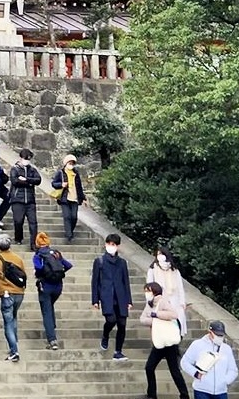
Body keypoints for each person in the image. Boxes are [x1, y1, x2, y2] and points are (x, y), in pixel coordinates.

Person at [139, 281, 191, 399]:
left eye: (148, 291)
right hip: (158, 340)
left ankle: (184, 395)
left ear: (154, 291)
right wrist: (154, 321)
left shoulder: (163, 301)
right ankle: (151, 394)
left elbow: (173, 314)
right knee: (149, 367)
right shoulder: (149, 304)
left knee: (174, 370)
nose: (146, 293)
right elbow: (142, 318)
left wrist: (156, 315)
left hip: (168, 341)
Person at [91, 232, 133, 362]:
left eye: (113, 244)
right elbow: (95, 281)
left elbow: (126, 281)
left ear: (118, 246)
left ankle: (118, 351)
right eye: (109, 244)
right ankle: (105, 335)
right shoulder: (100, 261)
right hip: (107, 296)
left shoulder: (122, 263)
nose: (111, 246)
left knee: (122, 324)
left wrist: (129, 300)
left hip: (121, 296)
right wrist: (95, 300)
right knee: (111, 320)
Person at [0, 234, 26, 362]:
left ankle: (14, 351)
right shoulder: (18, 258)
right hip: (19, 293)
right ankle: (13, 345)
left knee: (8, 322)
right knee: (13, 318)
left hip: (6, 293)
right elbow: (23, 275)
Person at [32, 231, 71, 349]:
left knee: (46, 312)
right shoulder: (56, 253)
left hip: (45, 286)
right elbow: (68, 265)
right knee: (50, 305)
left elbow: (39, 267)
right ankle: (52, 326)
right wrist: (59, 272)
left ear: (37, 243)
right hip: (58, 286)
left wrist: (40, 274)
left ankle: (52, 339)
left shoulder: (38, 255)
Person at [181, 320, 239, 399]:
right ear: (210, 332)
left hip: (221, 391)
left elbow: (233, 369)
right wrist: (195, 373)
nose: (220, 337)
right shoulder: (197, 345)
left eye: (221, 335)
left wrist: (225, 381)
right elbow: (185, 362)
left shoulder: (226, 349)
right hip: (202, 390)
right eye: (217, 335)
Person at [147, 245, 189, 337]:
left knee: (177, 327)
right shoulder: (152, 269)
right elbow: (149, 287)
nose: (159, 256)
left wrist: (182, 302)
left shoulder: (174, 271)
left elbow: (180, 288)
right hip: (160, 303)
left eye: (161, 254)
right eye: (158, 254)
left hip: (175, 302)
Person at [9, 148, 42, 248]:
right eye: (25, 158)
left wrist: (26, 179)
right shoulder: (15, 169)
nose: (27, 161)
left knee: (33, 223)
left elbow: (38, 180)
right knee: (18, 221)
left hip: (30, 200)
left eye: (29, 159)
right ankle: (18, 238)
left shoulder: (32, 170)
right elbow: (15, 181)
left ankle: (33, 243)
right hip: (18, 200)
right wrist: (29, 183)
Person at [50, 153, 87, 242]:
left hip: (74, 198)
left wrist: (83, 198)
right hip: (64, 198)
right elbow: (54, 183)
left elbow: (79, 187)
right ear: (65, 163)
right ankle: (69, 235)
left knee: (74, 217)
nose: (71, 165)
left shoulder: (76, 173)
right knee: (67, 216)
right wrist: (61, 184)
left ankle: (70, 231)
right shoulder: (60, 173)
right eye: (69, 163)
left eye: (72, 163)